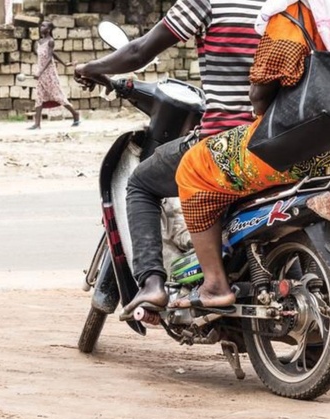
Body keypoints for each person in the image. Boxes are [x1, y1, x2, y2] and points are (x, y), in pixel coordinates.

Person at [172, 0, 330, 308]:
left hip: (305, 144)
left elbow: (261, 88)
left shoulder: (295, 12)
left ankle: (214, 284)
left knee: (193, 167)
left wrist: (263, 113)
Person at [75, 0, 267, 315]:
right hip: (274, 142)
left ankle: (152, 283)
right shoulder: (280, 5)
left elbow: (139, 51)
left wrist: (91, 68)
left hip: (223, 142)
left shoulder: (206, 2)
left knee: (140, 184)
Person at [30, 20, 81, 130]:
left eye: (43, 25)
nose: (41, 27)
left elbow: (49, 59)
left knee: (58, 96)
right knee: (39, 97)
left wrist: (40, 72)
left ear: (48, 29)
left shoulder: (50, 41)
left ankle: (75, 115)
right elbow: (53, 54)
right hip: (41, 73)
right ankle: (37, 124)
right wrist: (65, 64)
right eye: (41, 25)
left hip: (49, 74)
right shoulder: (39, 42)